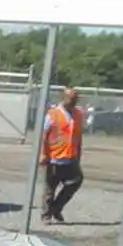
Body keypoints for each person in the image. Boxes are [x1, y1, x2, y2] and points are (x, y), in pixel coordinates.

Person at [39, 87, 86, 222]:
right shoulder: (52, 114)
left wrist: (78, 154)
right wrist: (43, 154)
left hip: (71, 157)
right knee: (50, 188)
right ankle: (46, 215)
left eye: (75, 99)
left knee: (76, 181)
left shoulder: (78, 114)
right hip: (54, 157)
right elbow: (43, 136)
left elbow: (78, 136)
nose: (73, 102)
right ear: (63, 98)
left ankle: (56, 208)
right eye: (71, 99)